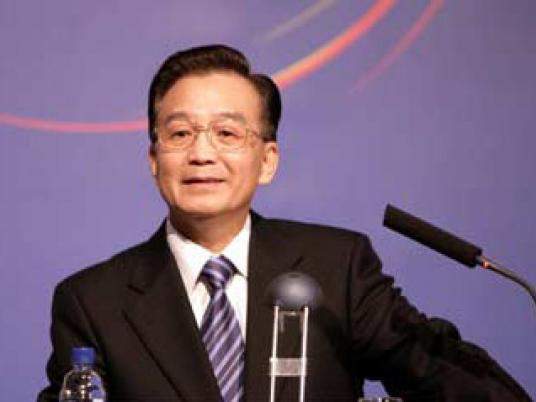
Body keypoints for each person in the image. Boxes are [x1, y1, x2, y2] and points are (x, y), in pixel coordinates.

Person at [38, 44, 530, 401]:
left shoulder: (337, 268)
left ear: (267, 161)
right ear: (153, 159)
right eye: (181, 133)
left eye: (227, 133)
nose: (202, 153)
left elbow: (447, 377)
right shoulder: (92, 302)